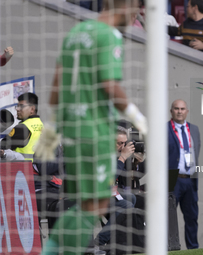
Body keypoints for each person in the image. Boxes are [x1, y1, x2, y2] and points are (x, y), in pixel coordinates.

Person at [43, 0, 147, 253]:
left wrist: (54, 127)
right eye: (135, 10)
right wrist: (138, 117)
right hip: (95, 131)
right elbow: (109, 84)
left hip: (72, 131)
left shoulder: (76, 33)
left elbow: (56, 91)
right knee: (96, 203)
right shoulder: (109, 34)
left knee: (87, 204)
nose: (136, 15)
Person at [168, 99, 201, 249]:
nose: (179, 111)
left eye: (182, 109)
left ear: (187, 111)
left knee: (192, 217)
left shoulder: (194, 129)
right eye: (176, 108)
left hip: (190, 179)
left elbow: (197, 150)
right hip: (173, 178)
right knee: (168, 216)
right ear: (171, 111)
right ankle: (168, 247)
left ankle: (193, 249)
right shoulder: (165, 129)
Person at [0, 92, 43, 162]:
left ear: (32, 109)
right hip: (38, 170)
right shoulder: (41, 125)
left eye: (22, 106)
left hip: (23, 170)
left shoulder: (22, 128)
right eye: (17, 106)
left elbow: (2, 146)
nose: (17, 109)